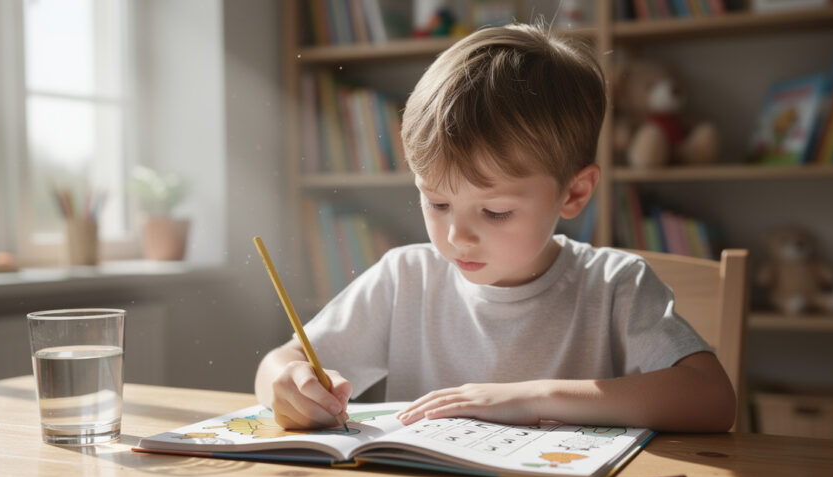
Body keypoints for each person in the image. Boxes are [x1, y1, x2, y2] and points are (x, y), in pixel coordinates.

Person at [254, 23, 736, 433]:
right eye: (437, 202)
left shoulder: (614, 285)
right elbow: (280, 361)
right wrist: (287, 382)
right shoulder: (405, 278)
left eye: (496, 211)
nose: (456, 237)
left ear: (573, 194)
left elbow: (713, 400)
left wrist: (532, 397)